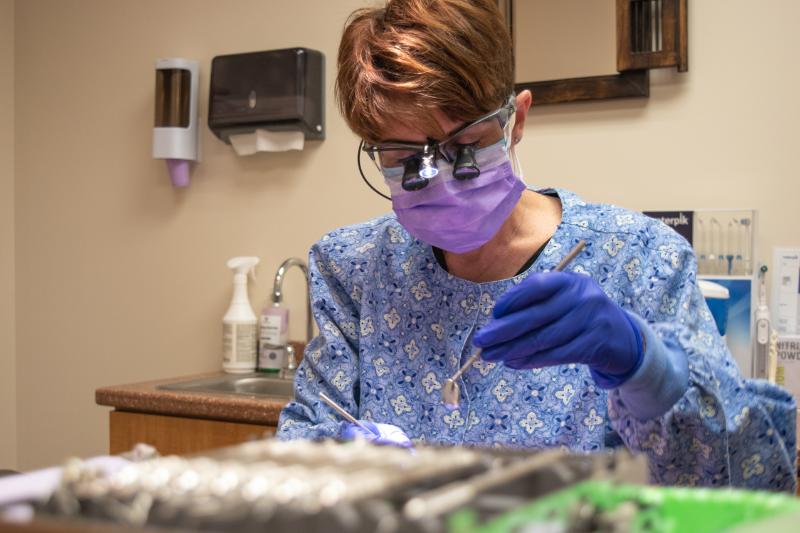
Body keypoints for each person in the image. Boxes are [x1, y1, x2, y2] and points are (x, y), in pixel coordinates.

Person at [277, 0, 797, 491]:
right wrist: (336, 459)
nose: (438, 180)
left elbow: (746, 480)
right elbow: (300, 445)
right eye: (405, 159)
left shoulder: (639, 259)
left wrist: (646, 367)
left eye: (464, 148)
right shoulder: (355, 268)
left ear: (516, 120)